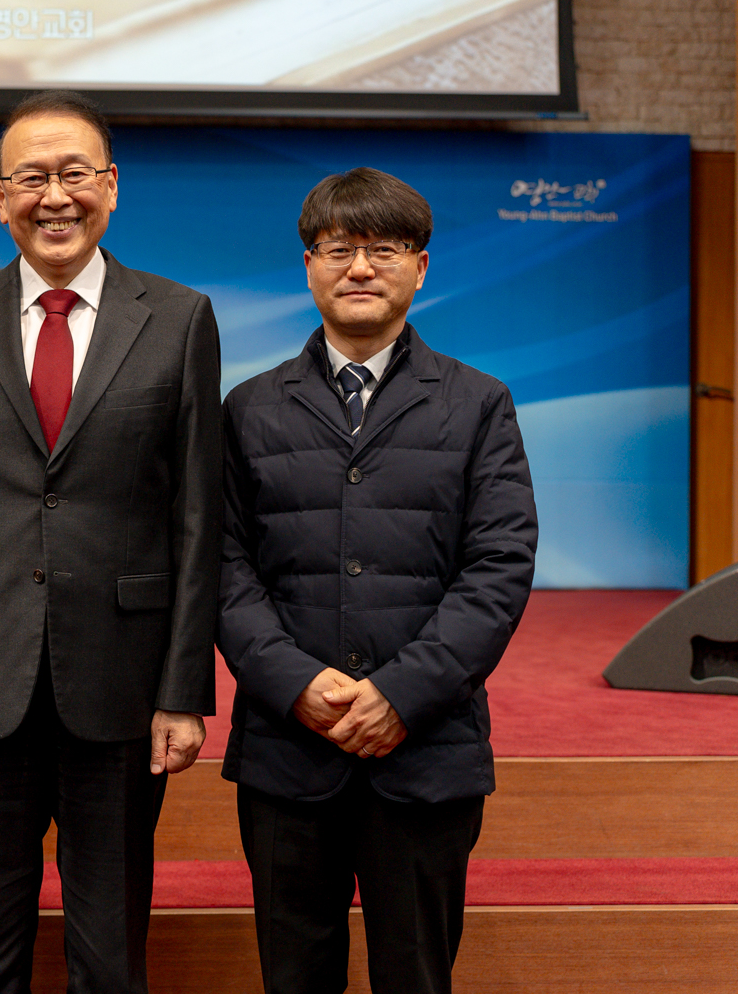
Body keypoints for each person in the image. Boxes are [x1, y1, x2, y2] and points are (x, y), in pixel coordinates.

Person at [0, 89, 222, 993]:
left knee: (110, 955)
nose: (56, 196)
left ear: (111, 186)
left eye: (75, 173)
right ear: (0, 198)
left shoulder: (179, 317)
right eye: (32, 178)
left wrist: (184, 692)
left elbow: (197, 519)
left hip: (121, 684)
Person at [218, 167, 539, 994]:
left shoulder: (478, 404)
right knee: (294, 976)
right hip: (289, 751)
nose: (360, 267)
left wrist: (402, 694)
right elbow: (222, 565)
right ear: (309, 266)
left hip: (425, 751)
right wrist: (294, 683)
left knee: (418, 975)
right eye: (339, 249)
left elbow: (499, 566)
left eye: (384, 250)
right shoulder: (249, 409)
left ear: (420, 268)